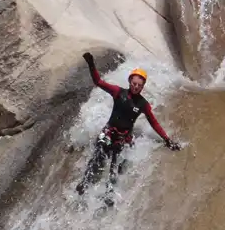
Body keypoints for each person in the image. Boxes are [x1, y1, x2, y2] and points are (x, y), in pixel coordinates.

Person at [77, 53, 180, 201]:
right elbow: (98, 82)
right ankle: (85, 183)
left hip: (123, 138)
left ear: (143, 86)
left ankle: (109, 194)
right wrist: (91, 64)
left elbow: (154, 123)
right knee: (99, 153)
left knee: (115, 166)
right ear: (129, 81)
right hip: (109, 131)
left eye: (139, 85)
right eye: (134, 83)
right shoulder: (118, 92)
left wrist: (167, 140)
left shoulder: (143, 104)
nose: (136, 86)